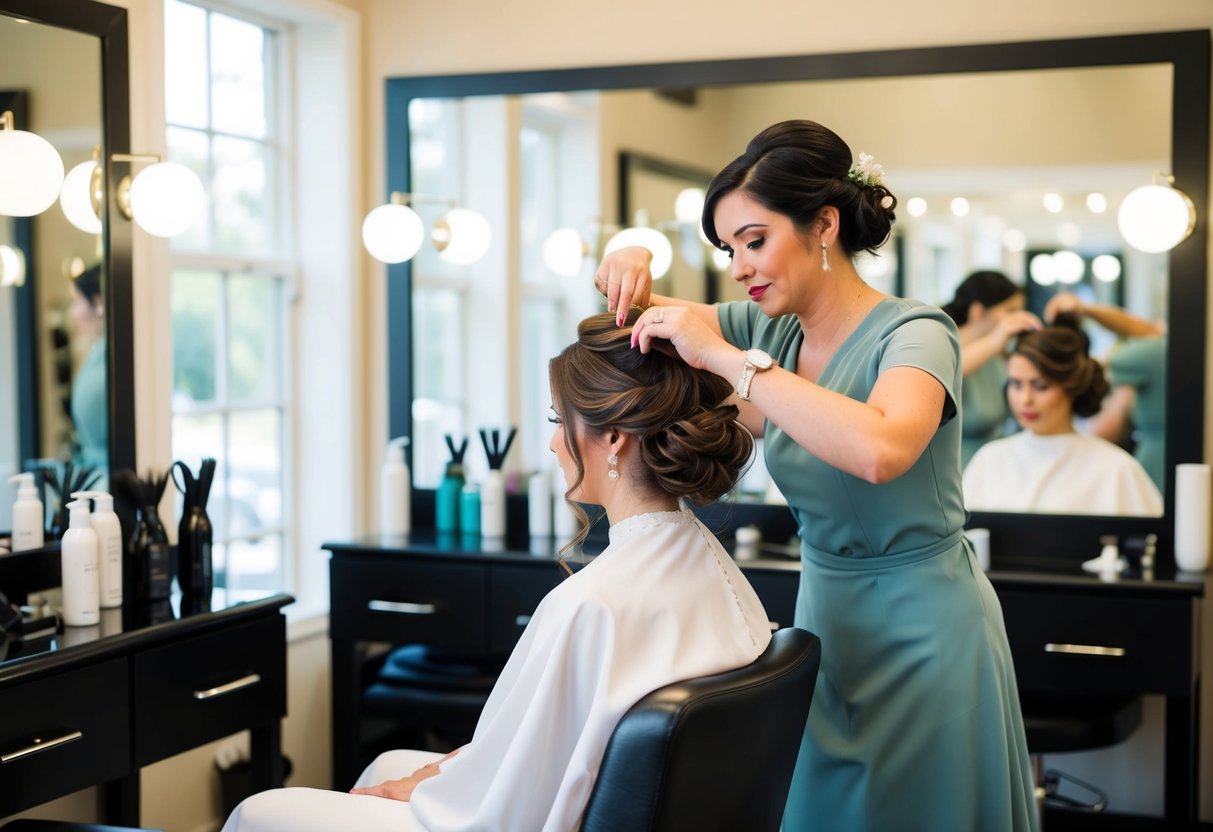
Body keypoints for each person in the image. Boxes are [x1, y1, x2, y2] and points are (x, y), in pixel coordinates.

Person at [596, 120, 1036, 831]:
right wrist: (629, 250)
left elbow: (879, 449)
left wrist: (730, 361)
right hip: (826, 618)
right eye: (727, 248)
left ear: (823, 224)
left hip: (925, 628)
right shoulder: (772, 329)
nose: (739, 266)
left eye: (753, 239)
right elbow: (632, 321)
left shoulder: (916, 332)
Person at [221, 309, 770, 832]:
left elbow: (505, 806)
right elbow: (532, 746)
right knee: (387, 763)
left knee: (258, 811)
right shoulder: (710, 565)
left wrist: (433, 788)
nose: (553, 442)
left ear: (613, 438)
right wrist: (434, 777)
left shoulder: (591, 604)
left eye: (560, 421)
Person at [963, 322, 1163, 516]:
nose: (1025, 399)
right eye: (1016, 384)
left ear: (1072, 387)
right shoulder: (989, 460)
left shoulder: (1116, 469)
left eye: (1040, 386)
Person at [1043, 290, 1167, 492]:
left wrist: (1085, 309)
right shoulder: (1162, 348)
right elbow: (1148, 330)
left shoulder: (1148, 355)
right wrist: (1084, 309)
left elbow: (1146, 330)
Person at [940, 270, 1041, 467]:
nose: (1016, 318)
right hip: (956, 467)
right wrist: (996, 340)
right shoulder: (940, 346)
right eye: (1010, 311)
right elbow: (948, 372)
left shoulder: (998, 353)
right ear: (978, 311)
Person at [68, 264, 107, 476]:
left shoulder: (108, 362)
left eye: (76, 303)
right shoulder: (95, 355)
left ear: (98, 303)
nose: (73, 314)